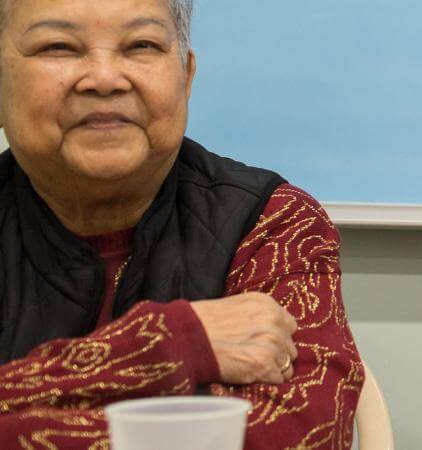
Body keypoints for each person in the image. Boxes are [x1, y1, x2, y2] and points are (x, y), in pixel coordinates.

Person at [0, 0, 364, 447]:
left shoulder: (273, 224)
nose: (105, 79)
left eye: (141, 45)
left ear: (186, 77)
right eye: (58, 46)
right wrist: (170, 345)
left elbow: (301, 435)